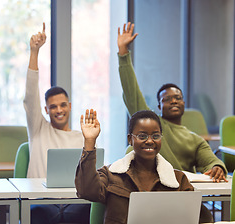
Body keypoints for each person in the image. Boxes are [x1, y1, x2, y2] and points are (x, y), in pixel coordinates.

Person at [117, 22, 227, 182]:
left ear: (184, 102)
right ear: (159, 106)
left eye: (178, 98)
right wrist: (123, 53)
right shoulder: (151, 130)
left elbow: (211, 162)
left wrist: (217, 167)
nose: (173, 101)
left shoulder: (195, 140)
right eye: (167, 99)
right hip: (150, 191)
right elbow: (131, 91)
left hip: (181, 193)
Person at [75, 109, 213, 223]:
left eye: (155, 135)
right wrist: (89, 142)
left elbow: (200, 218)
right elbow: (86, 191)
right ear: (130, 139)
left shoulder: (178, 180)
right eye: (142, 136)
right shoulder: (111, 174)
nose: (149, 141)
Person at [24, 23, 89, 223]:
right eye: (53, 107)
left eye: (62, 105)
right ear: (46, 110)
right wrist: (34, 52)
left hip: (74, 201)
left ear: (69, 106)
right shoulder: (38, 129)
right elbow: (30, 94)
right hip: (41, 201)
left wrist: (91, 140)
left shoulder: (82, 137)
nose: (58, 110)